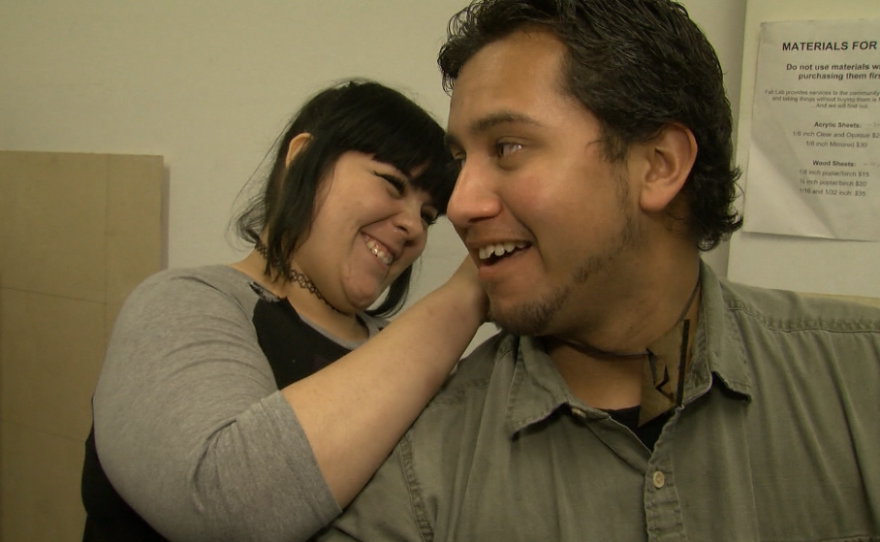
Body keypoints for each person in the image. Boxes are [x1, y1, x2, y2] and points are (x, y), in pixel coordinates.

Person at [316, 1, 880, 540]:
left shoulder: (860, 379)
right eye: (462, 160)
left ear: (659, 166)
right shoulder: (425, 463)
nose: (459, 204)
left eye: (508, 147)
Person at [80, 79, 486, 542]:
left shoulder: (401, 352)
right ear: (301, 161)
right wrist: (469, 292)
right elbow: (224, 506)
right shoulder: (181, 303)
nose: (413, 226)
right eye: (392, 184)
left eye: (429, 215)